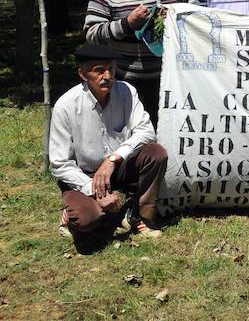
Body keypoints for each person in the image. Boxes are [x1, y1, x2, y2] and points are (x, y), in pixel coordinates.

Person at [50, 44, 167, 240]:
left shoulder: (127, 92)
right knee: (86, 221)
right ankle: (73, 213)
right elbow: (60, 163)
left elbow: (146, 131)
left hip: (118, 167)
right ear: (83, 74)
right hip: (84, 176)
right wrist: (94, 190)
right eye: (99, 70)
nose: (108, 76)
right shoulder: (65, 106)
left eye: (111, 69)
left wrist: (113, 159)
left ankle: (139, 215)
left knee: (156, 153)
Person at [85, 0, 189, 127]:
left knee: (166, 135)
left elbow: (194, 10)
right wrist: (127, 24)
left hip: (169, 79)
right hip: (126, 81)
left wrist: (177, 16)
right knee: (132, 135)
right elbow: (91, 33)